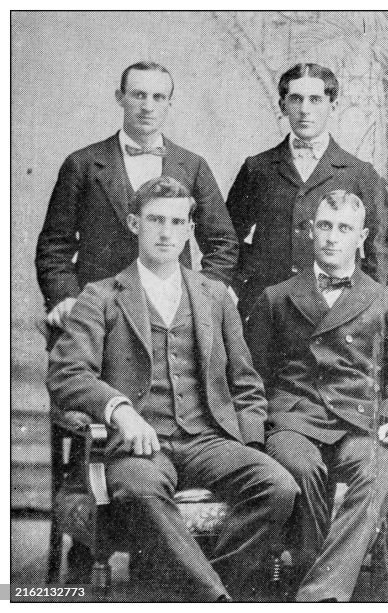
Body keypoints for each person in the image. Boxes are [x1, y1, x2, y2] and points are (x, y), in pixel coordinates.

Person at [47, 176, 297, 601]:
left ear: (189, 230)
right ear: (134, 224)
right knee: (140, 490)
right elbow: (67, 373)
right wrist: (120, 411)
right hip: (139, 446)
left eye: (177, 222)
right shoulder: (100, 296)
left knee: (279, 486)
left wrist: (251, 444)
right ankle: (216, 599)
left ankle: (203, 589)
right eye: (155, 220)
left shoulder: (215, 296)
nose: (166, 232)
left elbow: (246, 383)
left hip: (207, 440)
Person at [244, 189, 388, 602]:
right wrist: (257, 433)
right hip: (294, 419)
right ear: (310, 230)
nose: (331, 237)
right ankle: (316, 579)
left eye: (344, 228)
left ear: (361, 237)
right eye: (325, 226)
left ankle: (319, 595)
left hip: (358, 421)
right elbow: (251, 376)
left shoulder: (385, 300)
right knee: (302, 467)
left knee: (380, 469)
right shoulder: (277, 297)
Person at [36, 61, 237, 331]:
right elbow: (54, 246)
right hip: (100, 313)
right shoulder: (83, 164)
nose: (147, 106)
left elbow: (223, 244)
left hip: (172, 315)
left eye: (158, 97)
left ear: (169, 104)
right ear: (120, 98)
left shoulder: (192, 166)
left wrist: (197, 297)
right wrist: (67, 298)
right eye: (139, 95)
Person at [226, 63, 388, 318]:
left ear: (332, 106)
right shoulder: (257, 168)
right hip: (268, 309)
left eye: (315, 100)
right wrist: (249, 280)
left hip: (333, 309)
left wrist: (363, 307)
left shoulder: (360, 174)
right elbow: (227, 238)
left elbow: (378, 251)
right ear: (283, 106)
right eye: (296, 99)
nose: (304, 110)